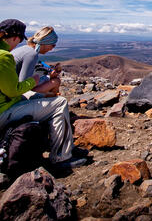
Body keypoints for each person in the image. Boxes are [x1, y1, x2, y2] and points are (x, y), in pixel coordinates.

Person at [0, 19, 87, 169]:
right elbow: (18, 87)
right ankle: (61, 157)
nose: (53, 49)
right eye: (52, 45)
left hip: (7, 104)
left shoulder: (17, 52)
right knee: (59, 103)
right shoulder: (20, 55)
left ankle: (56, 142)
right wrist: (36, 80)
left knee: (46, 97)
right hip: (5, 109)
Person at [12, 26, 61, 97]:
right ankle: (52, 101)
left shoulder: (25, 49)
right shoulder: (31, 54)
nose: (52, 48)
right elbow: (23, 83)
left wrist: (49, 76)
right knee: (56, 81)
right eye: (52, 45)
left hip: (11, 88)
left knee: (51, 80)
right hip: (16, 94)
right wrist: (47, 94)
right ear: (45, 42)